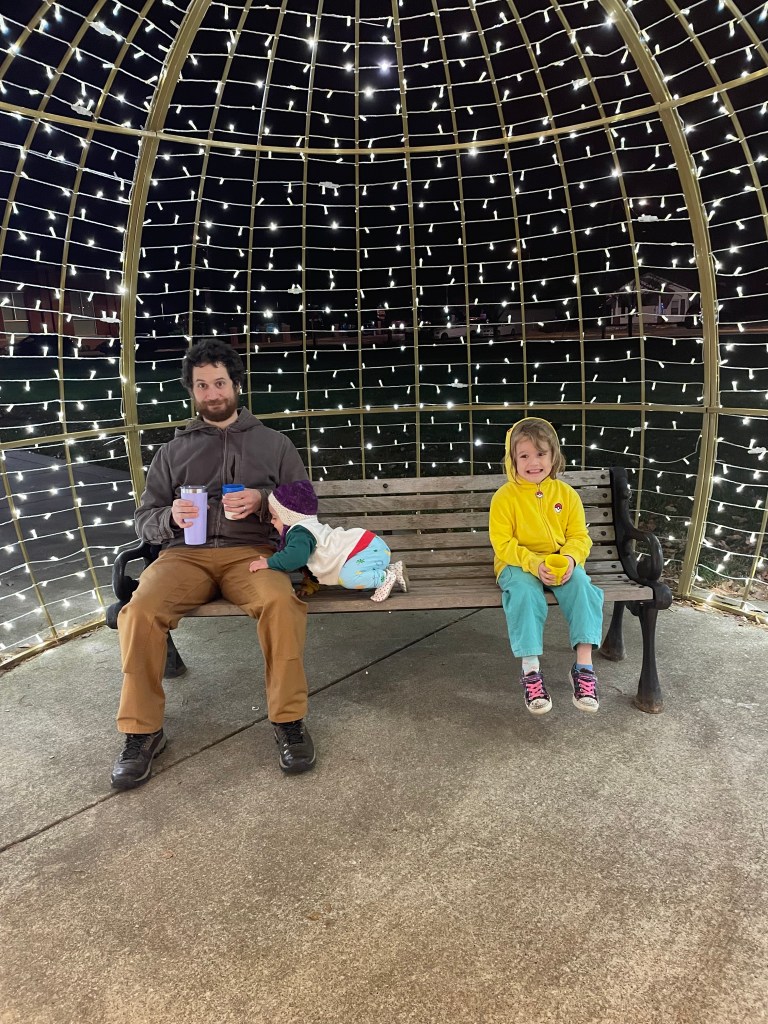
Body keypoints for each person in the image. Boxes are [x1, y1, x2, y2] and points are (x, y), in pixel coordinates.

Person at [111, 339, 315, 790]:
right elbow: (145, 518)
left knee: (281, 602)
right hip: (186, 555)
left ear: (236, 385)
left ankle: (289, 721)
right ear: (193, 392)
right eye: (202, 386)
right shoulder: (173, 452)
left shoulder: (274, 444)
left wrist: (265, 501)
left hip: (253, 554)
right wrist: (169, 517)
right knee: (140, 610)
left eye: (219, 383)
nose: (212, 393)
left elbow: (304, 507)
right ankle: (142, 731)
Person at [489, 416, 604, 715]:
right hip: (517, 563)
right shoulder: (505, 497)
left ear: (554, 457)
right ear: (512, 460)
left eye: (541, 454)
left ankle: (583, 666)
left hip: (558, 561)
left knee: (582, 587)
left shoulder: (566, 495)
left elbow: (580, 536)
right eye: (523, 456)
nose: (533, 462)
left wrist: (569, 559)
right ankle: (530, 671)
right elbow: (502, 543)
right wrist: (532, 562)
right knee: (525, 594)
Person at [249, 480, 409, 603]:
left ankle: (385, 578)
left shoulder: (299, 532)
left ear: (288, 518)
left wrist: (269, 563)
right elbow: (315, 565)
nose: (272, 522)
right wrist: (310, 585)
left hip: (363, 549)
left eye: (275, 518)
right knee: (351, 572)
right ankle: (394, 569)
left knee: (348, 578)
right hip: (371, 548)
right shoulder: (306, 529)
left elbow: (294, 558)